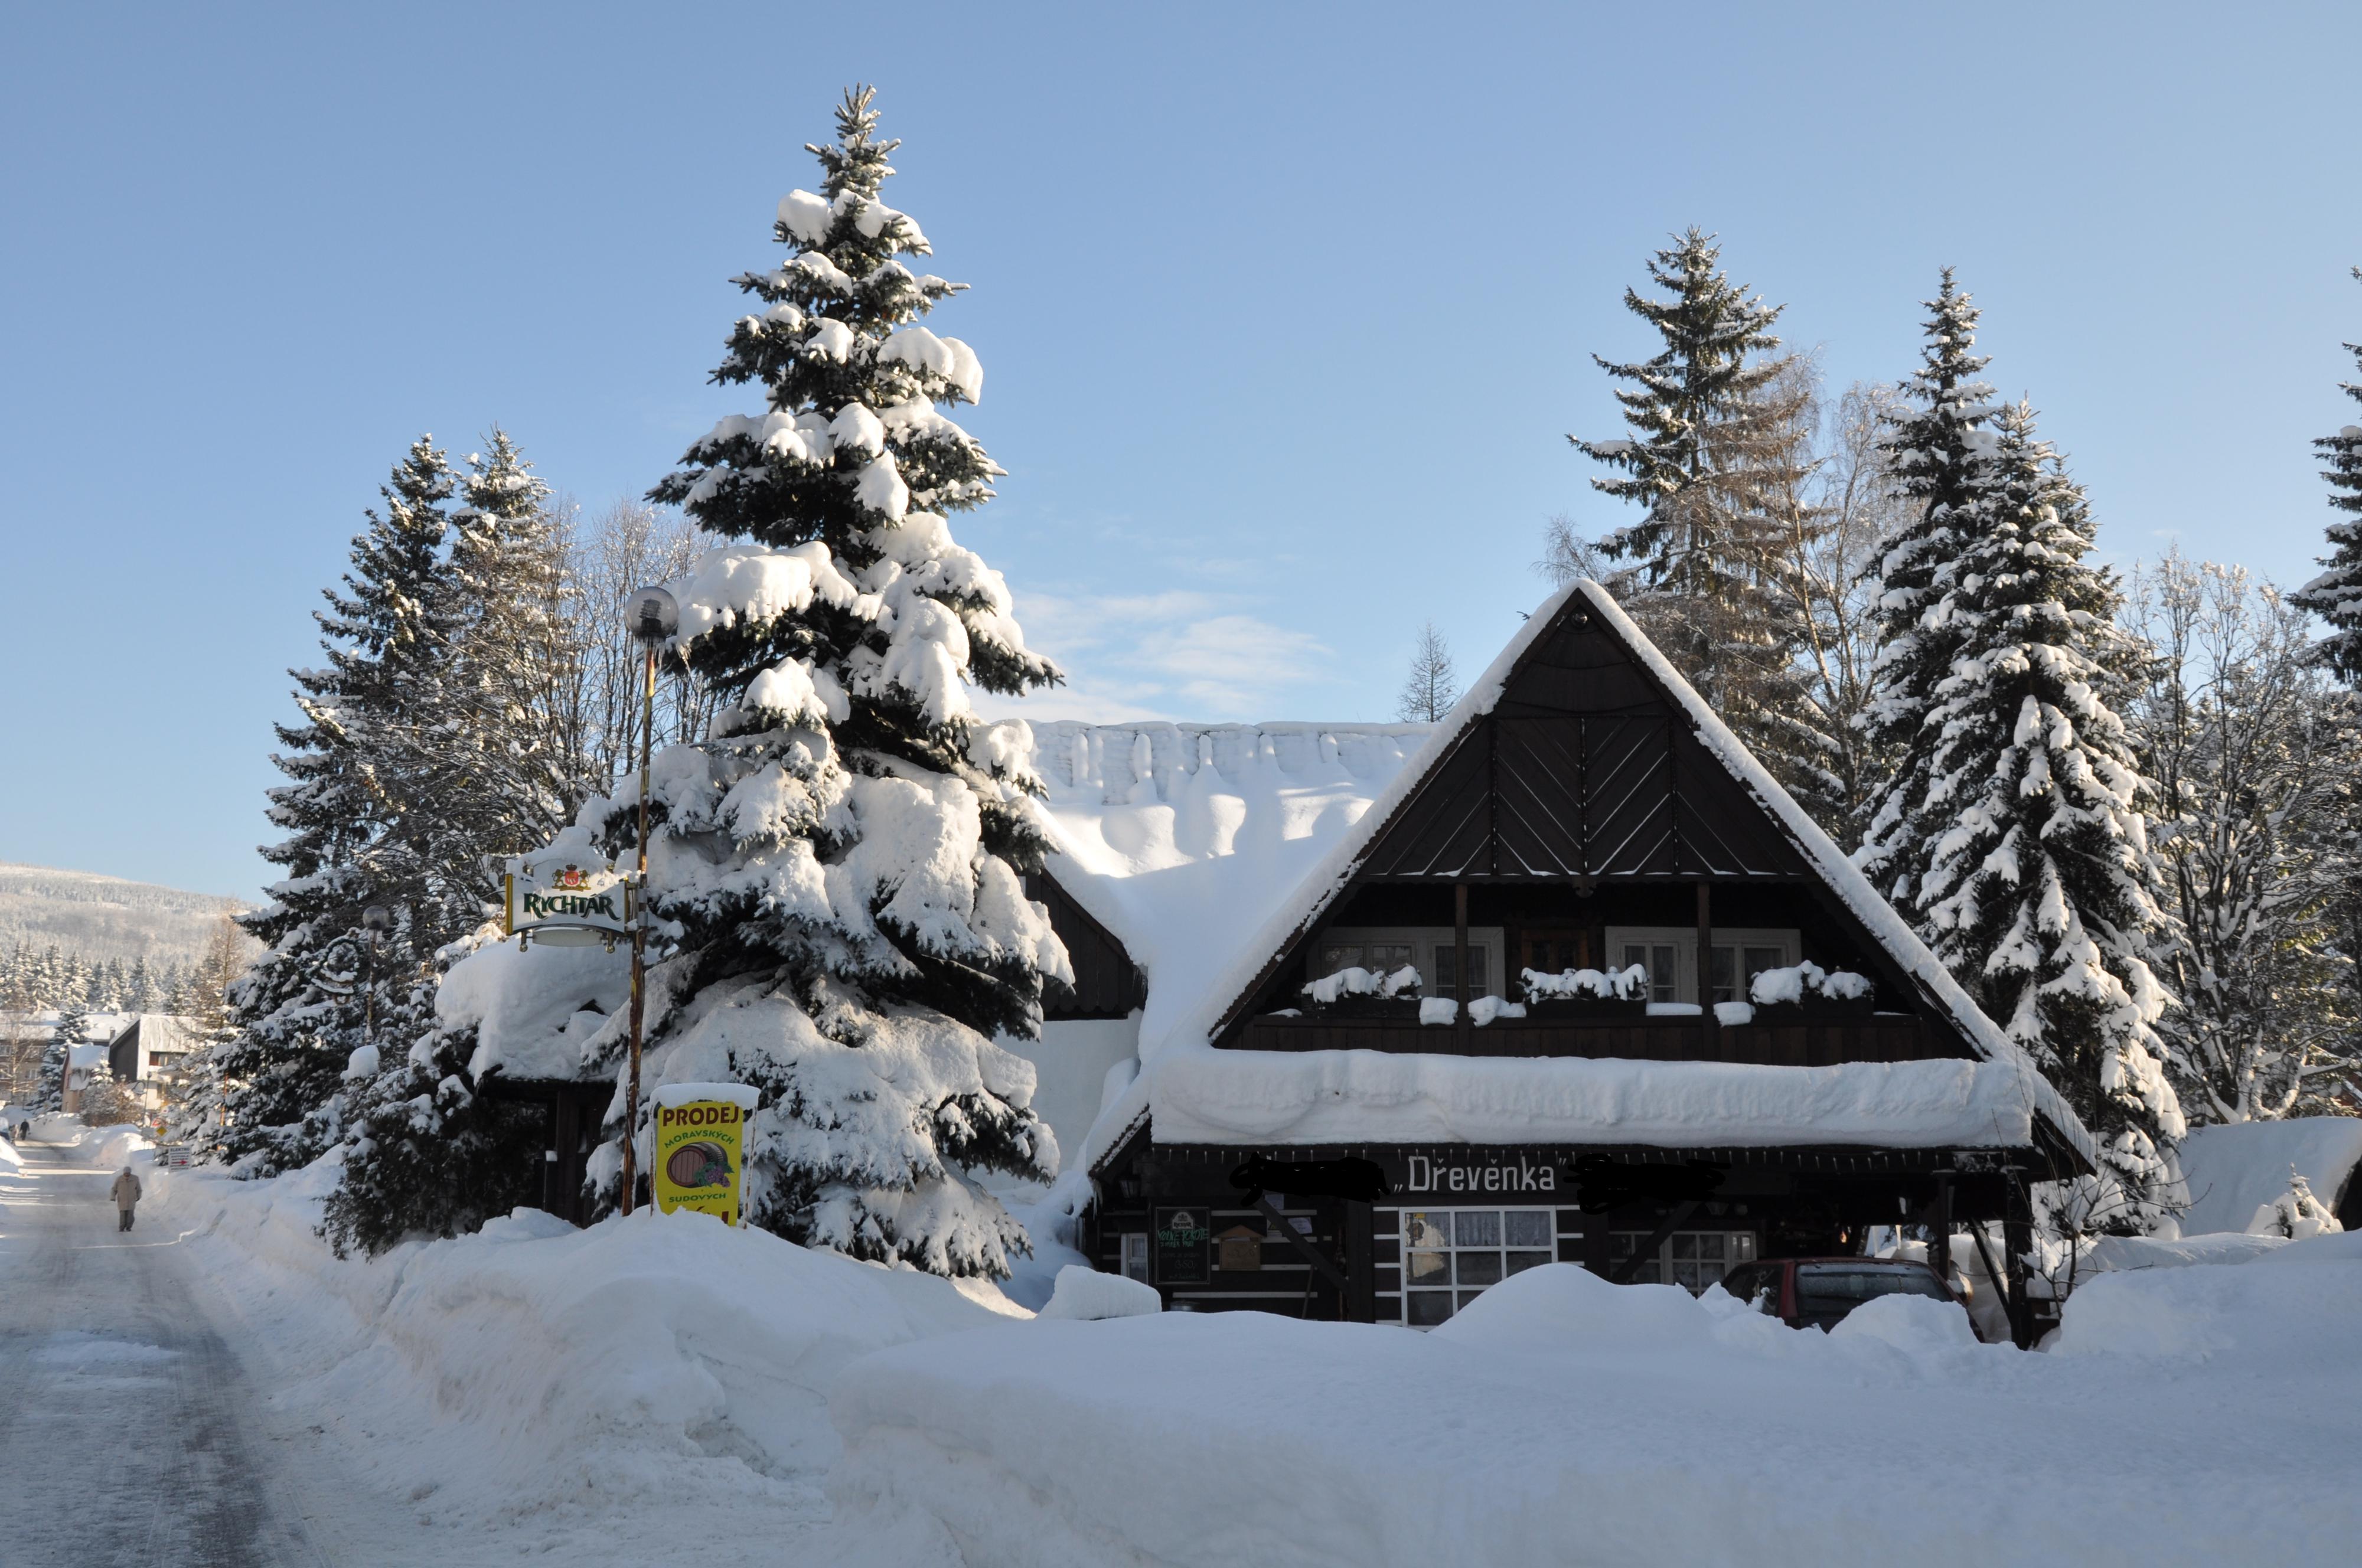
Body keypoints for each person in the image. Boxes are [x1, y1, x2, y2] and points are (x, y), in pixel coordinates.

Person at [111, 1165, 142, 1233]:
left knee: (130, 1216)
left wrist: (139, 1196)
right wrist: (113, 1197)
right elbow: (114, 1189)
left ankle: (129, 1227)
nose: (127, 1175)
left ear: (130, 1173)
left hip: (132, 1200)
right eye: (126, 1173)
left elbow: (139, 1189)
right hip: (122, 1200)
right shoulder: (119, 1179)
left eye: (128, 1173)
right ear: (124, 1173)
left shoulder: (135, 1179)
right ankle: (121, 1227)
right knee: (123, 1215)